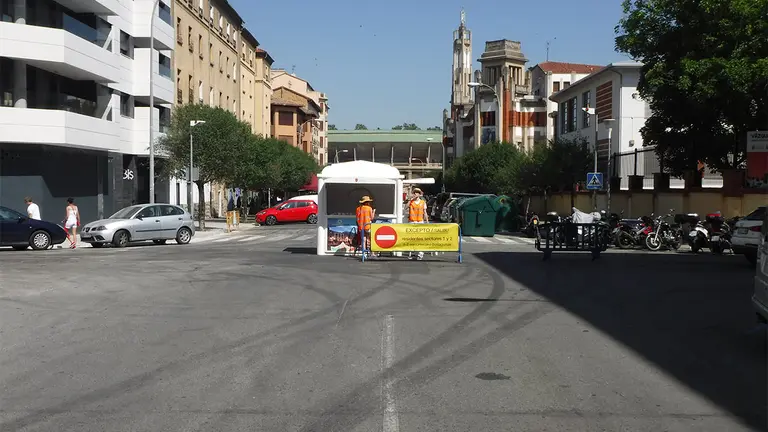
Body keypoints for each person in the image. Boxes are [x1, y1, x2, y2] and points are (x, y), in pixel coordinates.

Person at [408, 188, 428, 260]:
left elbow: (425, 212)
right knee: (411, 238)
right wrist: (410, 200)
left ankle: (420, 253)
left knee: (420, 238)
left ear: (419, 194)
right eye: (415, 192)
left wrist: (427, 221)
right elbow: (406, 208)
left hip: (420, 222)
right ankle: (410, 252)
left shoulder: (423, 202)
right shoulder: (411, 202)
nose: (416, 194)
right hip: (412, 221)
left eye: (417, 192)